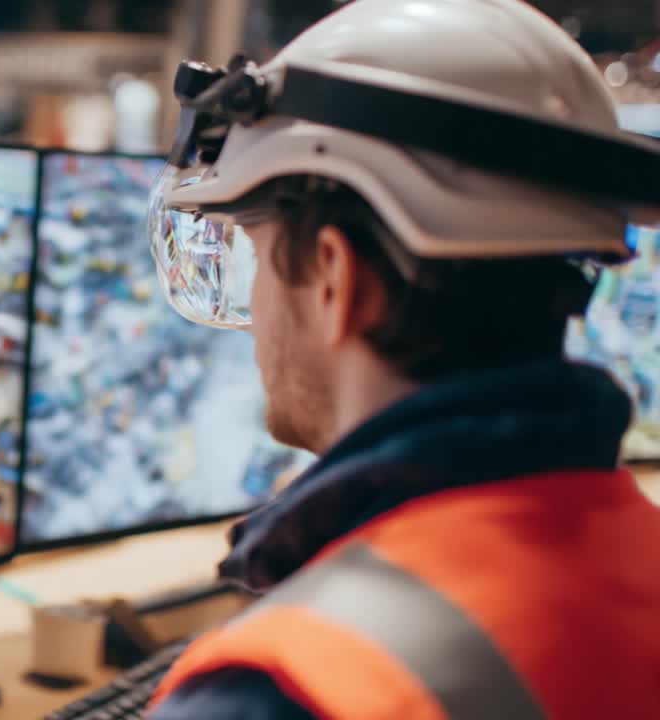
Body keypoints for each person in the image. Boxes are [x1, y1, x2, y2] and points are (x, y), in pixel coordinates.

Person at [145, 1, 660, 718]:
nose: (256, 310)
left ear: (332, 276)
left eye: (257, 262)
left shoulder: (277, 690)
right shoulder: (640, 553)